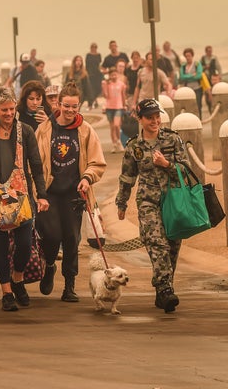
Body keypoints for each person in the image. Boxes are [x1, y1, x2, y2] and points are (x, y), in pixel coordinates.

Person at [0, 87, 49, 312]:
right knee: (2, 245)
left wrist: (41, 195)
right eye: (4, 110)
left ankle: (17, 279)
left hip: (21, 194)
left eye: (12, 109)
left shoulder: (25, 131)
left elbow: (35, 164)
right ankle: (6, 292)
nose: (9, 114)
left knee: (24, 243)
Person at [115, 98, 189, 313]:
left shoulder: (173, 140)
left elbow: (186, 169)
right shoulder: (134, 146)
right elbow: (127, 176)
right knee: (157, 244)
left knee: (172, 247)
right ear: (140, 119)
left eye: (157, 116)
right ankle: (165, 289)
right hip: (148, 202)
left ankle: (163, 291)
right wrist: (122, 203)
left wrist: (167, 164)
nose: (155, 120)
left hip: (173, 200)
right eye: (149, 117)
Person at [35, 82, 106, 302]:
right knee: (52, 235)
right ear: (59, 104)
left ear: (79, 106)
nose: (70, 110)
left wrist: (87, 178)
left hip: (75, 193)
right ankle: (48, 267)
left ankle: (69, 285)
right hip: (50, 192)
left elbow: (97, 162)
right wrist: (37, 191)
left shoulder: (85, 130)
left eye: (74, 106)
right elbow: (34, 161)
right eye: (66, 106)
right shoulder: (45, 128)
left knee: (71, 240)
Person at [101, 67, 127, 153]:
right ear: (109, 75)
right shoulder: (107, 84)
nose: (114, 76)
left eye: (115, 74)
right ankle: (114, 144)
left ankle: (118, 140)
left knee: (116, 125)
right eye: (112, 75)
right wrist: (104, 86)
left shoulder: (121, 84)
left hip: (118, 107)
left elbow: (123, 96)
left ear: (117, 75)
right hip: (109, 107)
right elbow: (105, 96)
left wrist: (124, 105)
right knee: (112, 127)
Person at [178, 48, 204, 117]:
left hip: (197, 88)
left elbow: (199, 76)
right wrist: (192, 75)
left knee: (198, 105)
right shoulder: (183, 66)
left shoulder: (197, 64)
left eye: (189, 56)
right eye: (186, 56)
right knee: (188, 106)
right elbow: (182, 77)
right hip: (187, 89)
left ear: (192, 56)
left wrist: (187, 77)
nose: (187, 58)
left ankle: (199, 119)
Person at [85, 43, 103, 109]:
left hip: (97, 74)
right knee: (91, 89)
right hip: (90, 74)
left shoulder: (99, 55)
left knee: (98, 88)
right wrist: (86, 73)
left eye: (95, 47)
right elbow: (86, 65)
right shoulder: (88, 55)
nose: (94, 48)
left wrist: (101, 71)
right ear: (90, 48)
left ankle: (94, 100)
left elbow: (99, 64)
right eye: (92, 47)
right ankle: (91, 102)